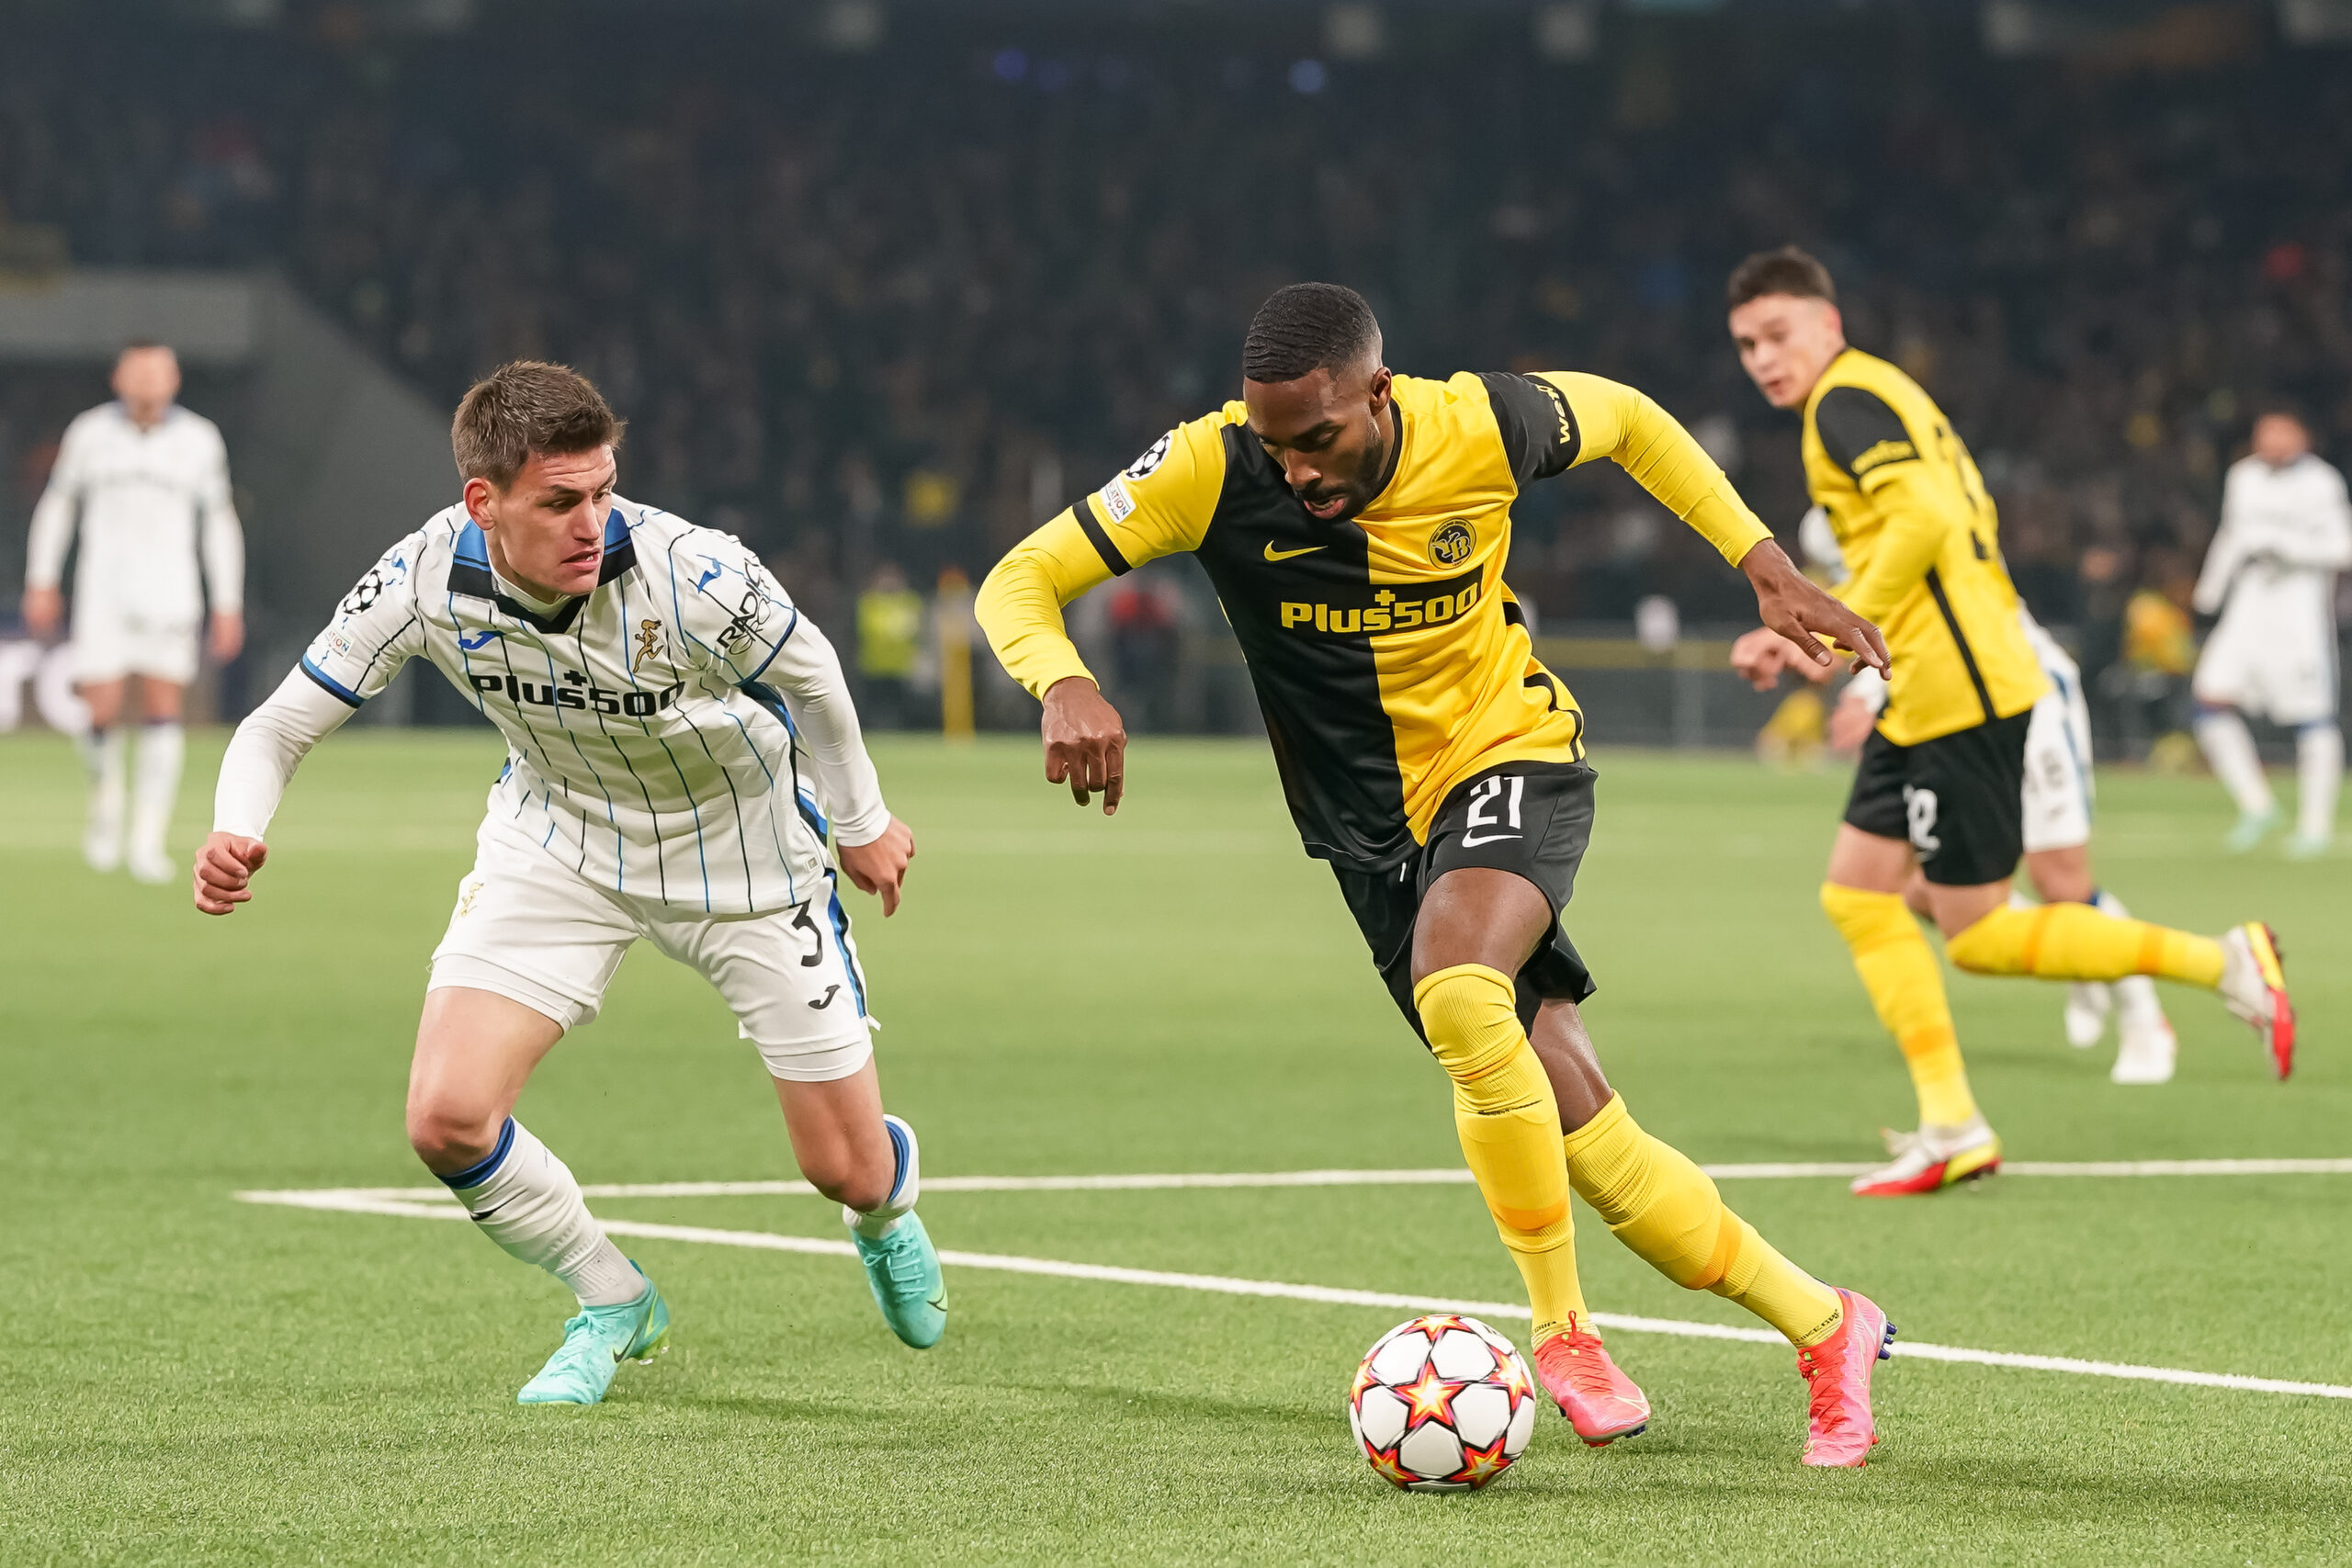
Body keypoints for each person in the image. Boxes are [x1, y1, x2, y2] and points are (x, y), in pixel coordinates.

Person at [979, 282, 1899, 1468]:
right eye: (1275, 444)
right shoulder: (1206, 467)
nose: (1297, 470)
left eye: (1319, 439)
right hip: (1368, 834)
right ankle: (1827, 1324)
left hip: (1508, 752)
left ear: (1379, 392)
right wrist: (1062, 678)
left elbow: (1627, 418)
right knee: (1588, 1136)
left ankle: (1564, 1333)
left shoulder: (1481, 423)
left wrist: (1760, 562)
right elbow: (1019, 578)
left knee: (1461, 989)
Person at [193, 362, 944, 1404]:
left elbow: (812, 671)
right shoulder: (421, 578)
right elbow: (277, 725)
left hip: (746, 856)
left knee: (842, 1169)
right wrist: (237, 828)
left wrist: (859, 822)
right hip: (560, 842)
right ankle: (612, 1298)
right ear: (484, 503)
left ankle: (885, 1204)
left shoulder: (694, 572)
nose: (592, 524)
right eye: (559, 502)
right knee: (446, 1117)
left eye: (603, 491)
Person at [1724, 247, 2294, 1199]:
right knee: (1859, 896)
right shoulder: (1877, 394)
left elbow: (1926, 522)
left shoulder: (1844, 403)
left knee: (1978, 934)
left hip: (1961, 693)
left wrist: (1821, 623)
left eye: (1778, 334)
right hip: (1926, 688)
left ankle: (2225, 963)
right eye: (1747, 344)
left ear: (1828, 324)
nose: (1763, 358)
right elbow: (1942, 513)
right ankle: (1952, 1123)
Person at [1807, 509, 2179, 1085]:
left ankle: (2145, 1019)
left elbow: (1935, 616)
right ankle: (2078, 958)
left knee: (2062, 885)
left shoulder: (1918, 501)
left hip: (2020, 691)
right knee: (1920, 890)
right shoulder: (1830, 517)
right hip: (1937, 710)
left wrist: (1866, 693)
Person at [22, 342, 244, 884]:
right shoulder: (89, 434)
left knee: (164, 708)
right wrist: (41, 578)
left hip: (171, 591)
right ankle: (105, 812)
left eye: (158, 372)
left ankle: (148, 838)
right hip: (103, 591)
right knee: (99, 708)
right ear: (118, 378)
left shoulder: (199, 439)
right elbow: (59, 505)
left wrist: (227, 601)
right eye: (138, 372)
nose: (147, 383)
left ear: (174, 379)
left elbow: (218, 521)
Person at [2189, 409, 2352, 858]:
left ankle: (2315, 826)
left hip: (2297, 610)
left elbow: (2343, 547)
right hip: (2248, 605)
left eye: (2281, 432)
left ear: (2303, 437)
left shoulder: (2322, 483)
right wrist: (2208, 593)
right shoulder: (2243, 476)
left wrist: (2288, 549)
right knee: (2209, 700)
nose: (2271, 441)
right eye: (2264, 432)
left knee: (2312, 716)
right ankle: (2257, 806)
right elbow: (2230, 535)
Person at [855, 561, 924, 728]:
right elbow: (870, 628)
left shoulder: (910, 600)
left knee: (903, 707)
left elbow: (915, 627)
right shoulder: (869, 601)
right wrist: (897, 630)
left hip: (902, 666)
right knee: (875, 706)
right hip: (874, 665)